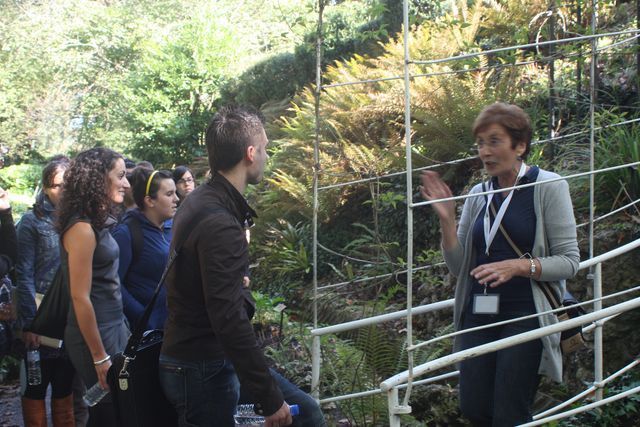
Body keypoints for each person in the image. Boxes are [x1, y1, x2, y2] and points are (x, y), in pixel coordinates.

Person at [420, 102, 580, 426]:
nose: (485, 151)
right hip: (479, 313)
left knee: (510, 415)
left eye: (494, 141)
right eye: (480, 143)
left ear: (519, 146)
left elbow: (569, 262)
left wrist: (517, 267)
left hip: (526, 315)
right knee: (475, 409)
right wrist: (448, 221)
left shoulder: (548, 186)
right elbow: (458, 267)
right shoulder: (478, 194)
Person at [159, 106, 292, 427]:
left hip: (194, 359)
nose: (266, 156)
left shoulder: (201, 200)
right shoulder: (219, 221)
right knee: (303, 414)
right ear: (250, 153)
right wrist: (269, 397)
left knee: (308, 411)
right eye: (265, 149)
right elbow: (227, 315)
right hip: (203, 368)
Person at [58, 148, 131, 427]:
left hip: (113, 326)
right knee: (107, 413)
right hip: (95, 334)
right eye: (120, 176)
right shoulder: (82, 229)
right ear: (98, 179)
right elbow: (80, 297)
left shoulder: (96, 223)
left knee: (119, 409)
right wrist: (100, 357)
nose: (126, 183)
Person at [16, 158, 76, 426]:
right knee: (35, 390)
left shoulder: (77, 218)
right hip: (39, 316)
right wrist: (30, 323)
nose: (63, 191)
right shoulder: (31, 222)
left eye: (68, 184)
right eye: (57, 185)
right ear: (45, 186)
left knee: (65, 392)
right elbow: (24, 274)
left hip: (70, 317)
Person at [112, 168, 177, 330]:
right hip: (142, 333)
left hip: (173, 328)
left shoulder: (173, 228)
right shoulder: (127, 233)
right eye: (169, 194)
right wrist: (143, 316)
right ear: (150, 201)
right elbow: (114, 282)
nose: (176, 199)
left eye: (175, 193)